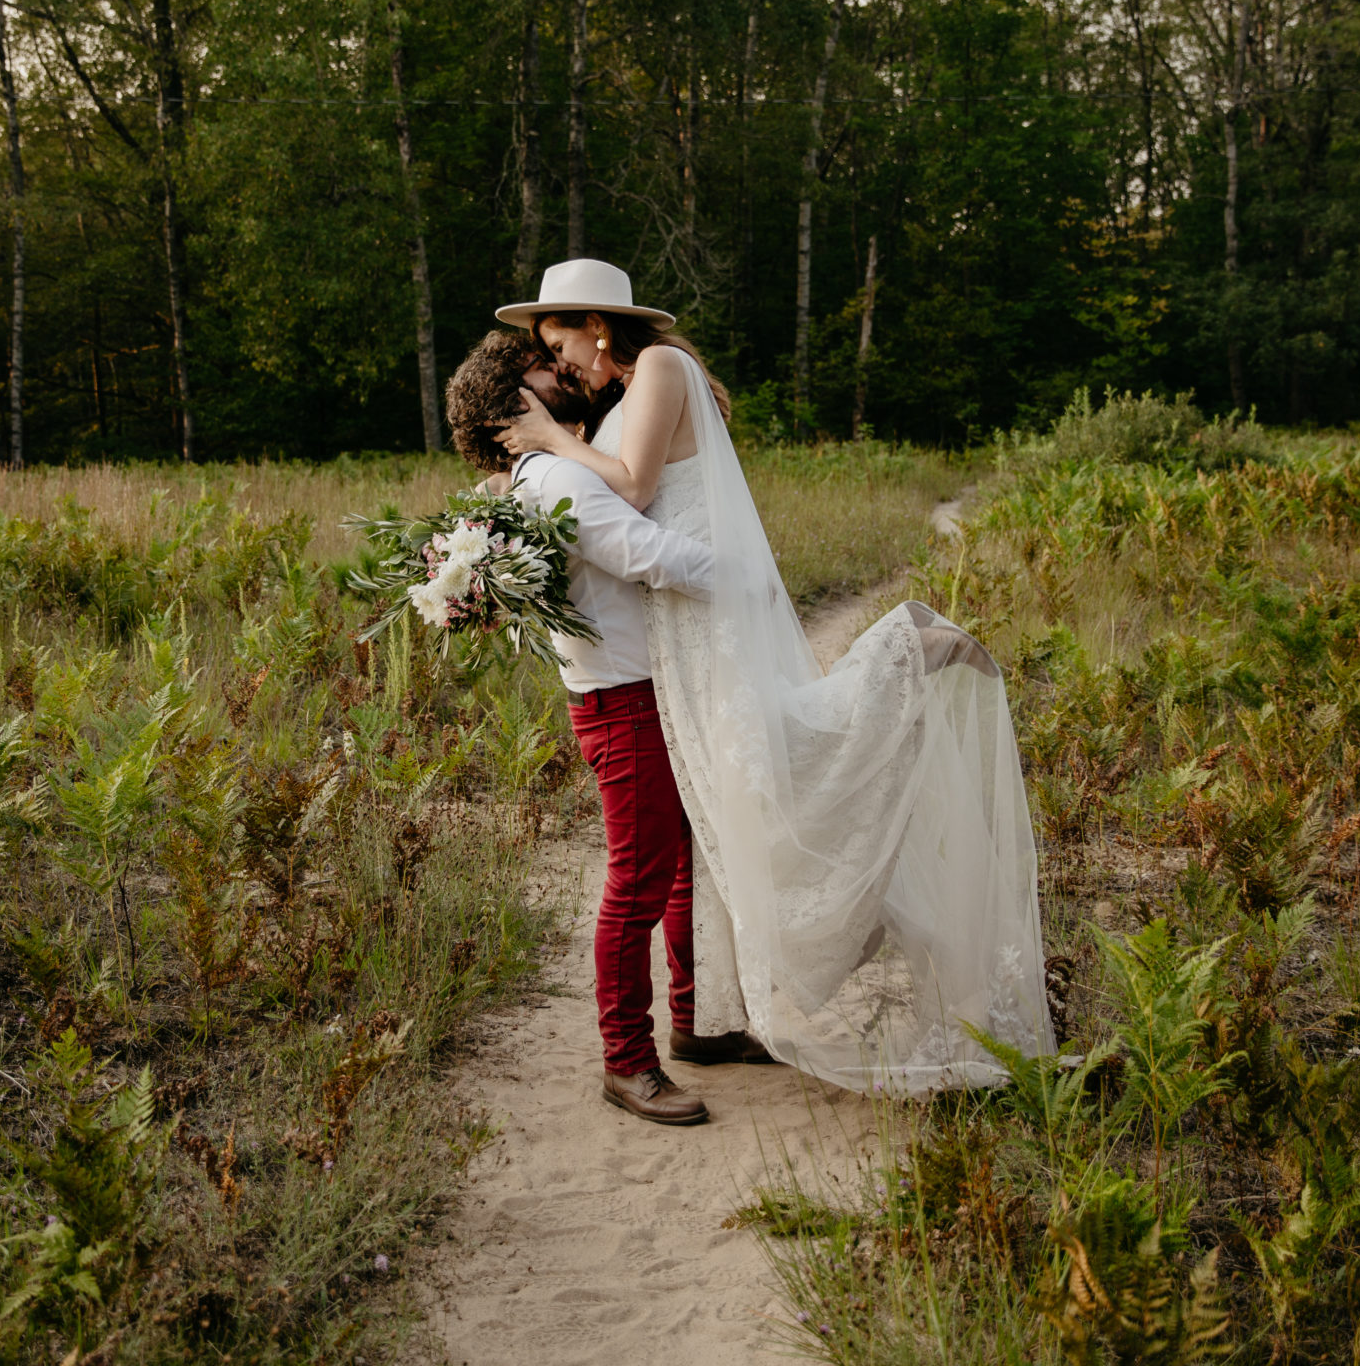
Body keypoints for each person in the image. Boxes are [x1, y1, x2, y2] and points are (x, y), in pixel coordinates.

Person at [495, 259, 1055, 1095]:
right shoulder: (621, 396)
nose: (558, 360)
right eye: (546, 345)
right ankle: (699, 1017)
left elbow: (637, 488)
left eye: (560, 338)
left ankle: (903, 648)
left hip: (698, 603)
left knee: (783, 761)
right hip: (672, 622)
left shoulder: (657, 366)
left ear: (600, 324)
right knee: (728, 807)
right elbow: (607, 504)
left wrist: (548, 442)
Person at [445, 331, 768, 1130]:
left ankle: (694, 1021)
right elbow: (649, 556)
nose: (560, 370)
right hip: (624, 702)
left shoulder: (527, 478)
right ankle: (627, 1062)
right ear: (510, 407)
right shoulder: (554, 475)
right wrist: (748, 574)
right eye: (540, 370)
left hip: (625, 693)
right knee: (638, 881)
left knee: (678, 857)